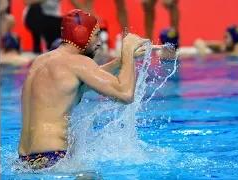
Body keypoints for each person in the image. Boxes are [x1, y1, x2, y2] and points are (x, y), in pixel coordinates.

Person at [18, 9, 161, 169]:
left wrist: (123, 61)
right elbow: (125, 94)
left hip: (25, 162)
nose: (99, 42)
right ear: (81, 34)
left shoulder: (41, 61)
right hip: (53, 159)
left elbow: (87, 80)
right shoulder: (77, 62)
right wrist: (127, 49)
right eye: (96, 35)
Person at [23, 0, 92, 53]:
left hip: (53, 19)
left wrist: (90, 16)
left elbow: (78, 5)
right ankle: (37, 47)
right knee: (37, 10)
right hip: (34, 17)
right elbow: (27, 1)